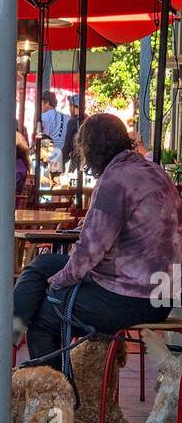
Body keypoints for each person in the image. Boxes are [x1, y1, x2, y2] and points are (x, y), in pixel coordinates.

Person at [13, 112, 182, 371]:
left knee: (45, 315)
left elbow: (90, 250)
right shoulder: (154, 171)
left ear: (89, 148)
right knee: (43, 264)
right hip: (163, 294)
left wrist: (58, 282)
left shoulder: (115, 179)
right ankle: (8, 335)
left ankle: (54, 399)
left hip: (128, 296)